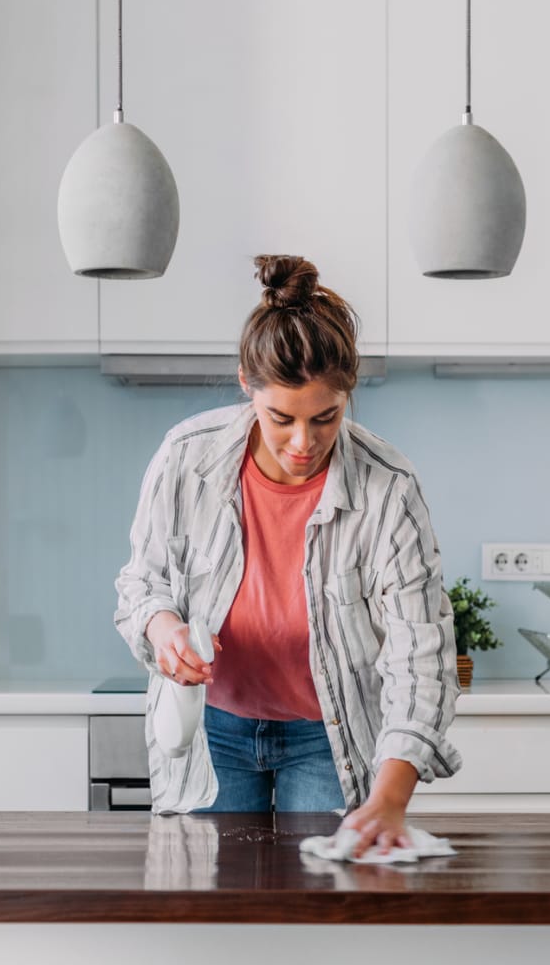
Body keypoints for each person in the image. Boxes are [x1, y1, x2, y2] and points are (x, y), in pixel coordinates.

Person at [114, 254, 461, 857]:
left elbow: (421, 653)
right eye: (281, 418)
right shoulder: (186, 459)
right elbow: (140, 584)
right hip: (212, 730)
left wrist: (391, 794)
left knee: (322, 922)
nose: (304, 443)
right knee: (212, 922)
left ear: (348, 395)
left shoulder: (389, 488)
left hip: (326, 736)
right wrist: (163, 626)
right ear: (247, 385)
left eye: (325, 417)